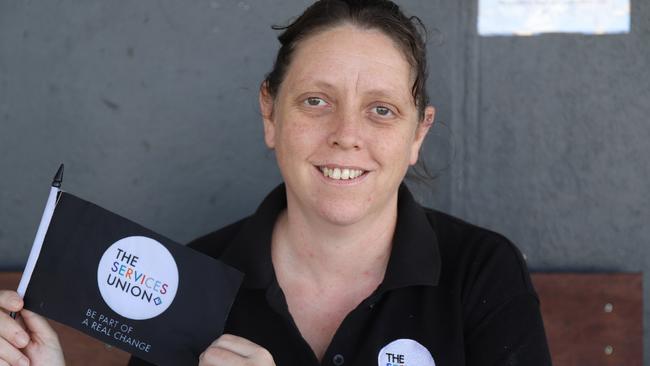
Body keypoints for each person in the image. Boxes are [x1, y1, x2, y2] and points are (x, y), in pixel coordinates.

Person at [0, 0, 552, 365]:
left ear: (417, 134)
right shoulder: (190, 281)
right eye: (316, 101)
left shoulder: (480, 273)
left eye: (381, 110)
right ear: (271, 115)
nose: (346, 135)